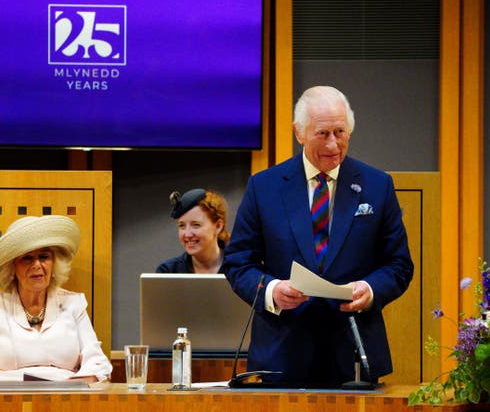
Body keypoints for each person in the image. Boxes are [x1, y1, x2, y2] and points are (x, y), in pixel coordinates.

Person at [224, 86, 413, 388]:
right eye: (323, 133)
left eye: (340, 132)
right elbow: (237, 264)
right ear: (298, 132)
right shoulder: (265, 187)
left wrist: (370, 289)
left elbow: (399, 265)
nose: (333, 144)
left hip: (352, 354)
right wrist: (272, 291)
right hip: (281, 356)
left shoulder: (377, 186)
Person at [0, 215, 112, 382]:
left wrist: (67, 389)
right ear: (12, 267)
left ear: (54, 263)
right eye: (26, 258)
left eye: (44, 257)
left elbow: (98, 364)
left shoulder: (73, 304)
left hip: (66, 401)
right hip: (8, 402)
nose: (36, 265)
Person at [156, 188, 230, 274]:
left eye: (196, 225)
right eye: (182, 226)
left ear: (218, 226)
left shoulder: (241, 268)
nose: (187, 234)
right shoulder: (168, 272)